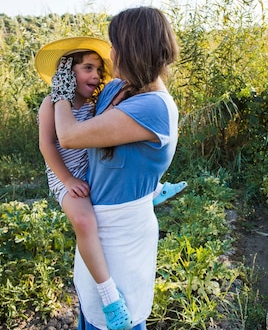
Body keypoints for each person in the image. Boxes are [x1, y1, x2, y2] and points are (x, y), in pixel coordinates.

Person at [35, 35, 184, 330]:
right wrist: (67, 180)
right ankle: (108, 295)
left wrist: (67, 93)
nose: (104, 65)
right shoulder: (63, 102)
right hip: (67, 177)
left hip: (113, 215)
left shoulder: (145, 104)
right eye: (88, 68)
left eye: (99, 68)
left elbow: (89, 142)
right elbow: (51, 143)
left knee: (115, 313)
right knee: (85, 226)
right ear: (67, 73)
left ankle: (151, 189)